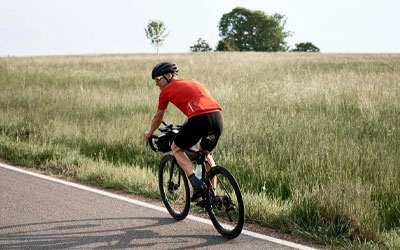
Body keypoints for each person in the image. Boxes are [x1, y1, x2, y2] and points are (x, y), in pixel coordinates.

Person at [144, 62, 223, 201]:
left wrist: (150, 132)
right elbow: (201, 105)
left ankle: (197, 184)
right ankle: (212, 195)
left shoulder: (165, 92)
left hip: (198, 119)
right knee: (206, 154)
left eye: (158, 79)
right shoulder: (192, 82)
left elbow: (158, 118)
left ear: (168, 76)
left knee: (176, 148)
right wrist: (187, 122)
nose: (156, 83)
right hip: (217, 118)